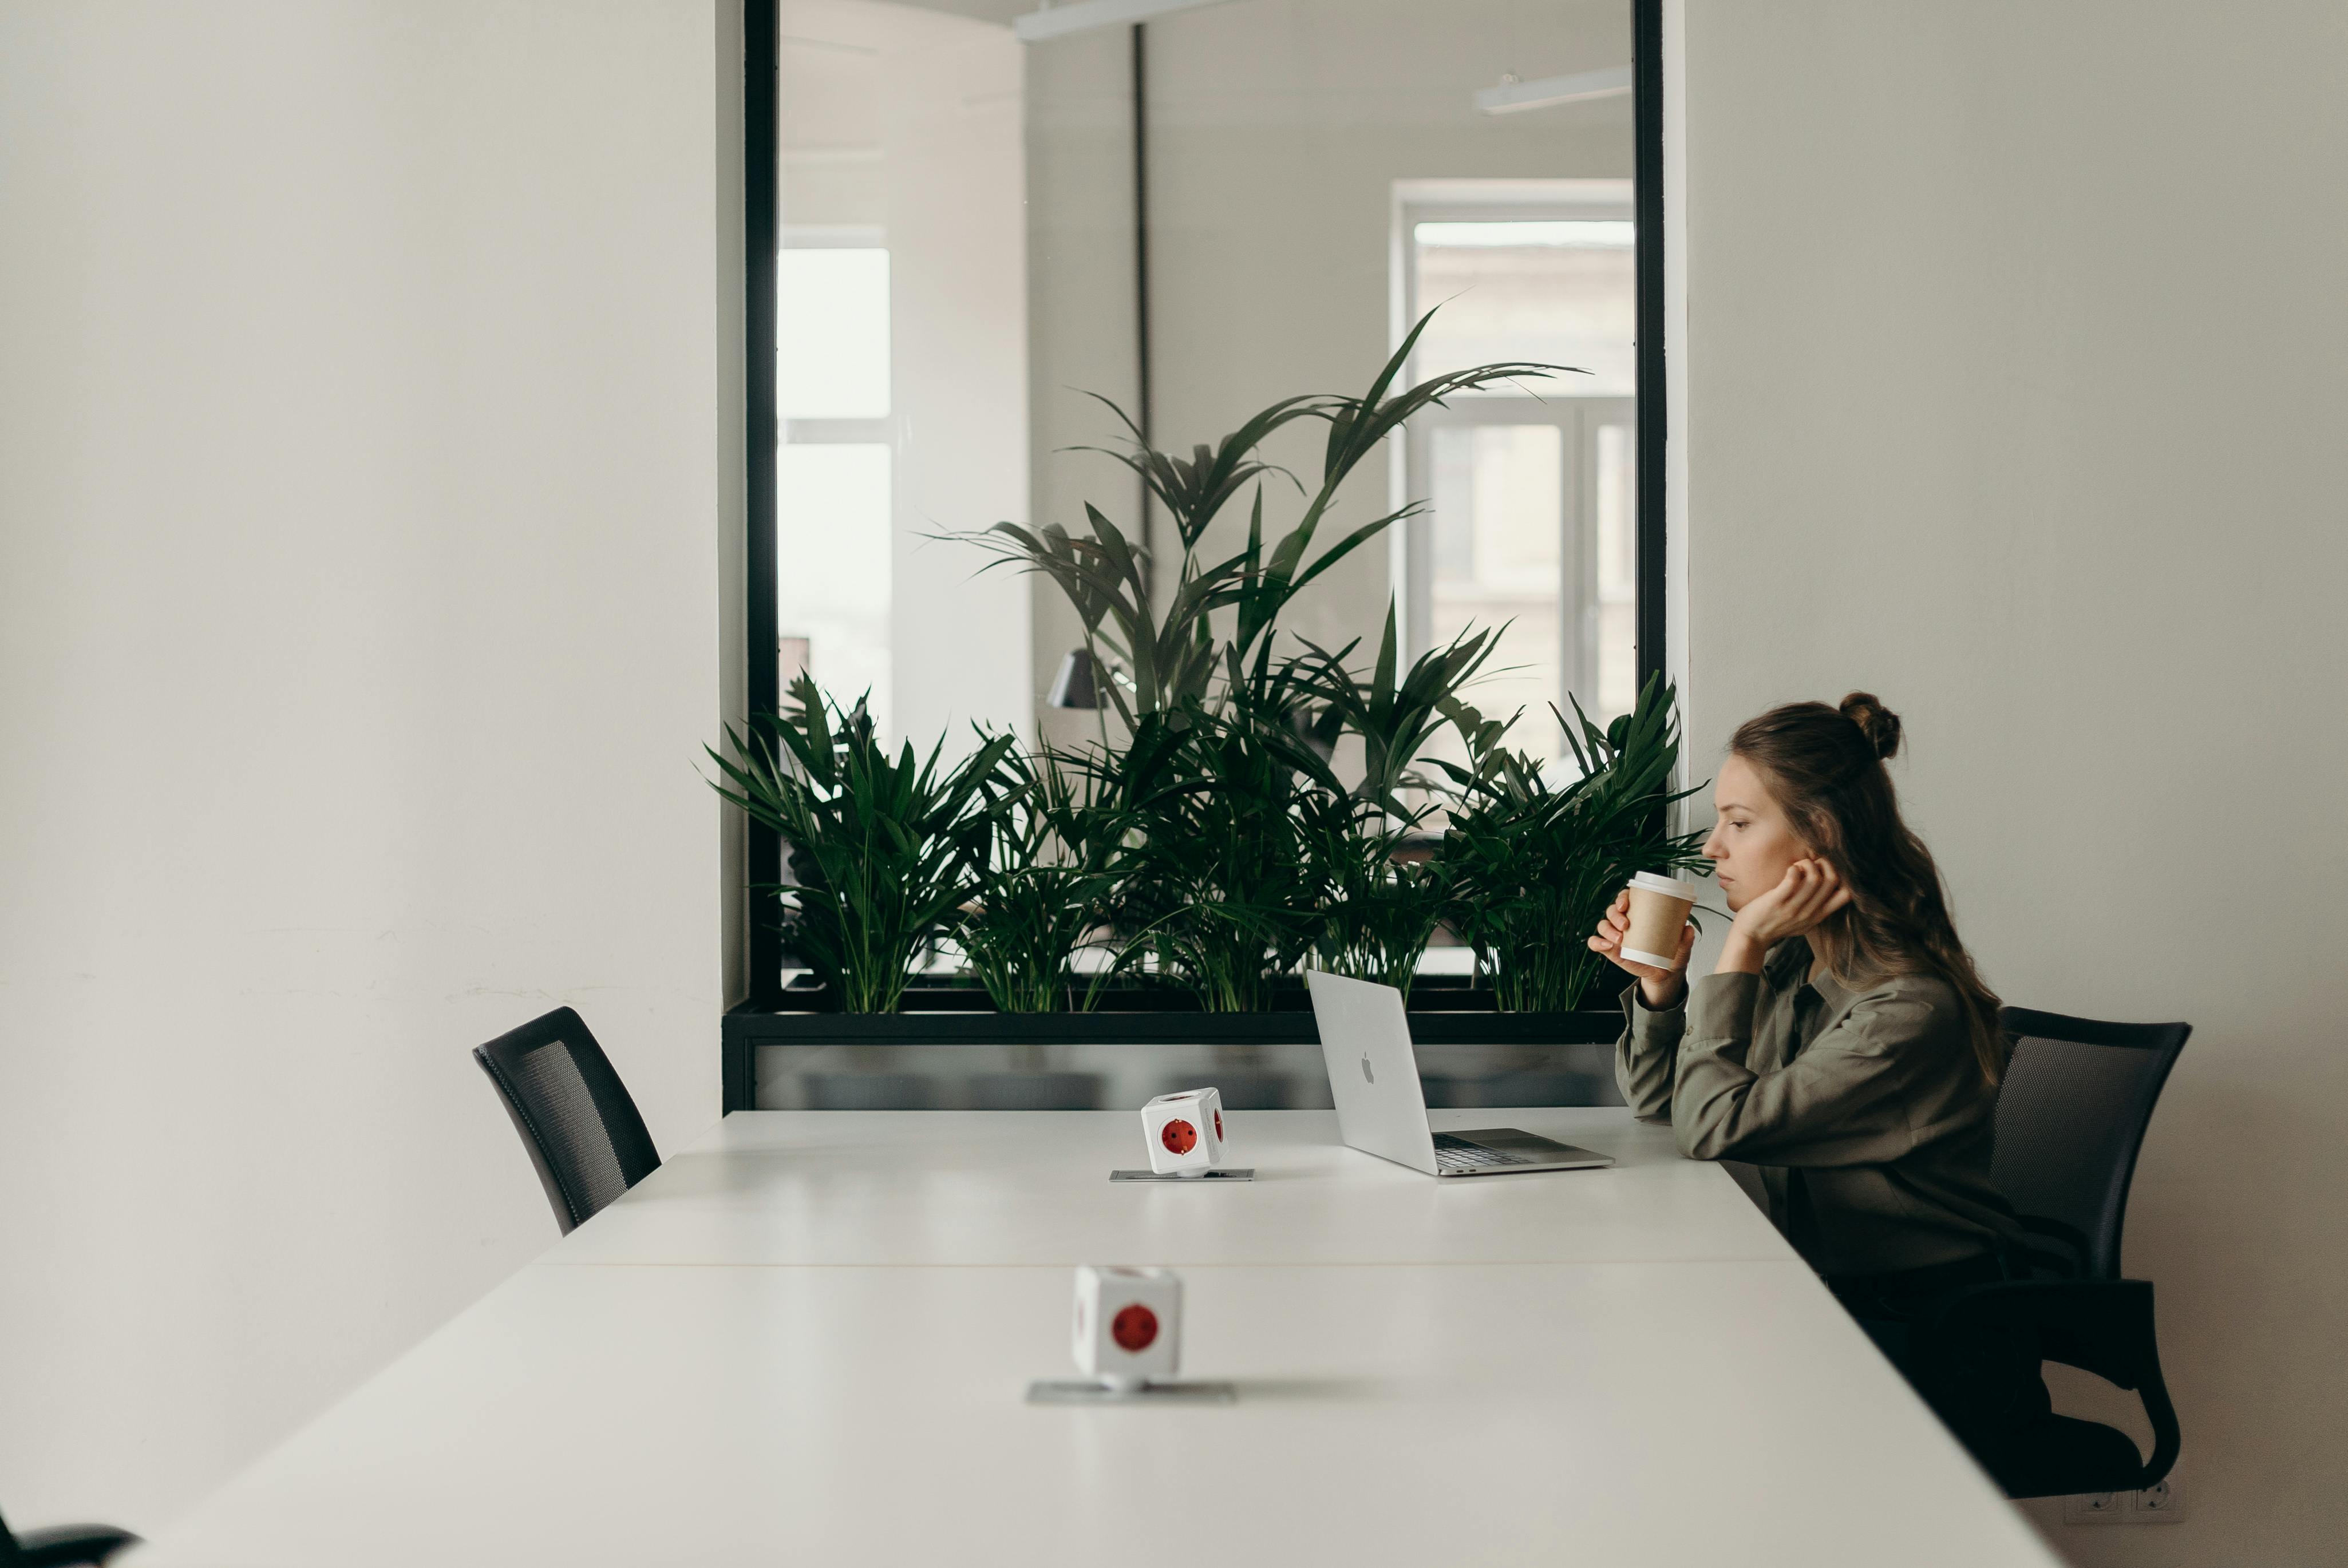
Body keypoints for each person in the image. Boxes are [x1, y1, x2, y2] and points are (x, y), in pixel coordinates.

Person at [1592, 691, 2047, 1468]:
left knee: (1658, 1413)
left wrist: (1736, 953)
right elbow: (1664, 1102)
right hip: (1837, 1307)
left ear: (1819, 837)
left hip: (1930, 1343)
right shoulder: (1803, 967)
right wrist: (1662, 992)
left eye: (1738, 822)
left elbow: (1710, 1131)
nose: (1712, 849)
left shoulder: (1904, 1011)